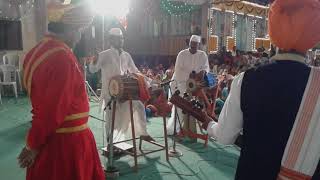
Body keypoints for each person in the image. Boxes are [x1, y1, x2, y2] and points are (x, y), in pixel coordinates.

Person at [202, 0, 320, 179]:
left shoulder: (246, 79)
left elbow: (225, 137)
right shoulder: (316, 84)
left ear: (274, 35)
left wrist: (210, 125)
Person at [18, 2, 105, 180]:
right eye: (79, 29)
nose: (80, 36)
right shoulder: (62, 57)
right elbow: (52, 110)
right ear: (70, 29)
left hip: (51, 138)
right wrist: (32, 145)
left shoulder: (34, 52)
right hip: (66, 144)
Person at [89, 28, 153, 142]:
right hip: (109, 93)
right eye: (118, 39)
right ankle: (111, 144)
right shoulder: (104, 55)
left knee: (138, 105)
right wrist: (95, 59)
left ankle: (143, 133)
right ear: (111, 40)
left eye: (122, 38)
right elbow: (93, 69)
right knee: (112, 119)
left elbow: (135, 70)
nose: (121, 41)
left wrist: (148, 82)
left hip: (124, 92)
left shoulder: (126, 55)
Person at [167, 35, 209, 135]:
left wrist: (203, 72)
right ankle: (174, 129)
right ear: (189, 43)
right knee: (180, 106)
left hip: (196, 85)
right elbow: (177, 71)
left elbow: (206, 67)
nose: (193, 46)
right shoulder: (182, 54)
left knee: (194, 107)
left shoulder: (203, 55)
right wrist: (189, 75)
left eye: (196, 44)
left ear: (199, 45)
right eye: (192, 44)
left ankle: (190, 129)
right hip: (181, 83)